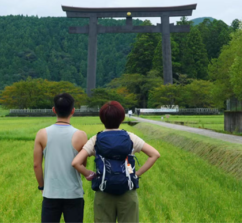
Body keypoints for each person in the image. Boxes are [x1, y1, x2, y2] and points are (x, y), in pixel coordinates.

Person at [72, 101, 160, 223]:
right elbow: (155, 154)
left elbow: (76, 162)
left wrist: (88, 174)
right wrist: (136, 174)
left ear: (102, 119)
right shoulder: (130, 137)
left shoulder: (96, 139)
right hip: (127, 191)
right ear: (122, 118)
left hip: (103, 191)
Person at [33, 93, 88, 223]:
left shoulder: (42, 134)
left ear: (54, 110)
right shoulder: (81, 135)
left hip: (51, 193)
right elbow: (83, 165)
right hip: (74, 193)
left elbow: (36, 165)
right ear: (73, 111)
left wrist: (42, 186)